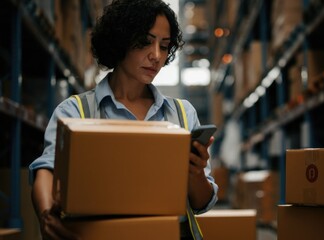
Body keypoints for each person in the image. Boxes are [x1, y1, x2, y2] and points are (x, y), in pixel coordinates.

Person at [29, 0, 218, 239]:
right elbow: (46, 169)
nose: (157, 56)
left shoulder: (182, 113)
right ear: (120, 40)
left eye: (165, 45)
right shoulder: (76, 111)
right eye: (146, 42)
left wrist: (196, 173)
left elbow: (201, 204)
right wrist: (46, 215)